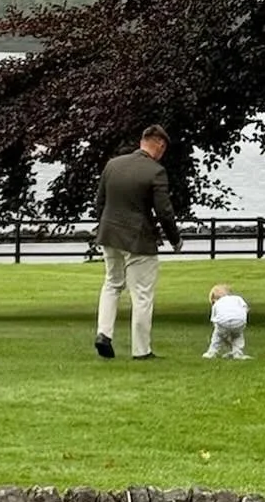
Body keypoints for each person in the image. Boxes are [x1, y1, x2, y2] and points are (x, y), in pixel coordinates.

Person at [93, 124, 182, 361]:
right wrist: (175, 239)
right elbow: (164, 211)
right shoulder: (155, 172)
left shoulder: (113, 165)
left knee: (112, 284)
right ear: (160, 146)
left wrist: (104, 227)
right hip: (138, 239)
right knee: (141, 294)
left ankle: (104, 333)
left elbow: (99, 203)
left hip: (109, 235)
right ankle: (141, 350)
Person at [203, 284, 251, 360]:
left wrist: (222, 333)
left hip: (222, 322)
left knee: (217, 336)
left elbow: (214, 318)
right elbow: (245, 308)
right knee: (238, 336)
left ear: (215, 299)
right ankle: (237, 353)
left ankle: (212, 352)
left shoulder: (217, 304)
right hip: (239, 321)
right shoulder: (237, 298)